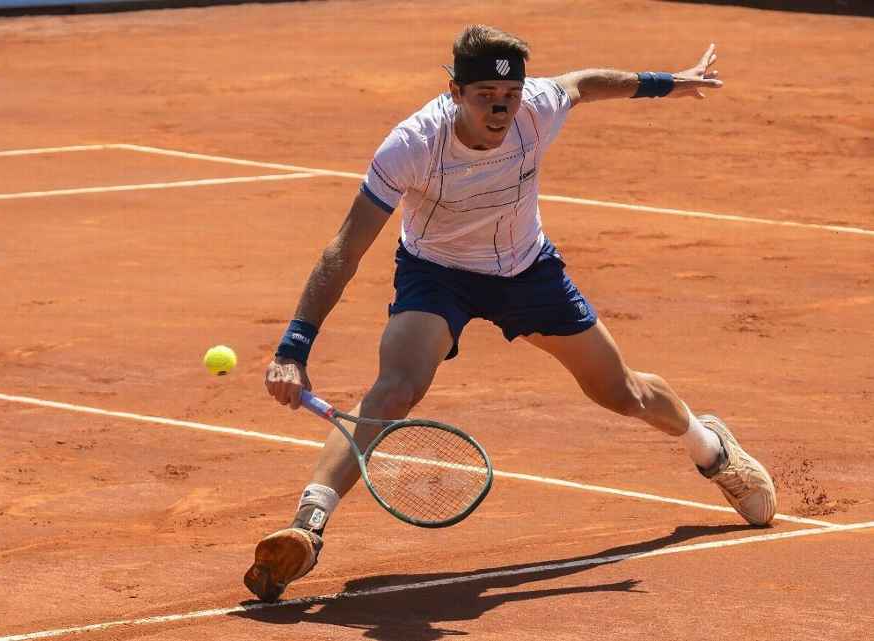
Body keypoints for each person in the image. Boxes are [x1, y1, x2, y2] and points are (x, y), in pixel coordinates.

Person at [244, 25, 777, 603]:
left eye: (510, 96)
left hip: (527, 271)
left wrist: (666, 83)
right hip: (437, 274)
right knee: (395, 389)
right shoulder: (410, 145)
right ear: (454, 91)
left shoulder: (537, 108)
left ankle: (711, 448)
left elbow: (584, 83)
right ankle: (308, 526)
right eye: (484, 97)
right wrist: (292, 350)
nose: (500, 110)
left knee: (622, 392)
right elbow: (344, 250)